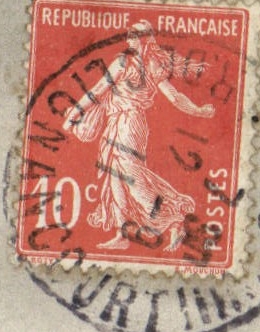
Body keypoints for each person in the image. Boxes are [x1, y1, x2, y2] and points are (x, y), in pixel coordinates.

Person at [64, 22, 215, 253]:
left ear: (139, 39)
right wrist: (198, 110)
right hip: (122, 123)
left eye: (135, 36)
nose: (133, 40)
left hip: (128, 123)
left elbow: (98, 90)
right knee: (115, 178)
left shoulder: (126, 62)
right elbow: (174, 97)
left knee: (129, 175)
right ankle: (122, 233)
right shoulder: (152, 64)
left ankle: (173, 215)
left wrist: (74, 113)